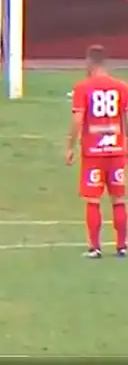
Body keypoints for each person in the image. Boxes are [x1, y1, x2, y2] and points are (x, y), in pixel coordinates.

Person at [66, 45, 128, 258]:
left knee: (93, 200)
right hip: (117, 151)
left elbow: (77, 119)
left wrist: (69, 147)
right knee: (118, 198)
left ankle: (95, 248)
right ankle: (122, 246)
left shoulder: (83, 88)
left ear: (90, 62)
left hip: (93, 153)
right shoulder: (121, 87)